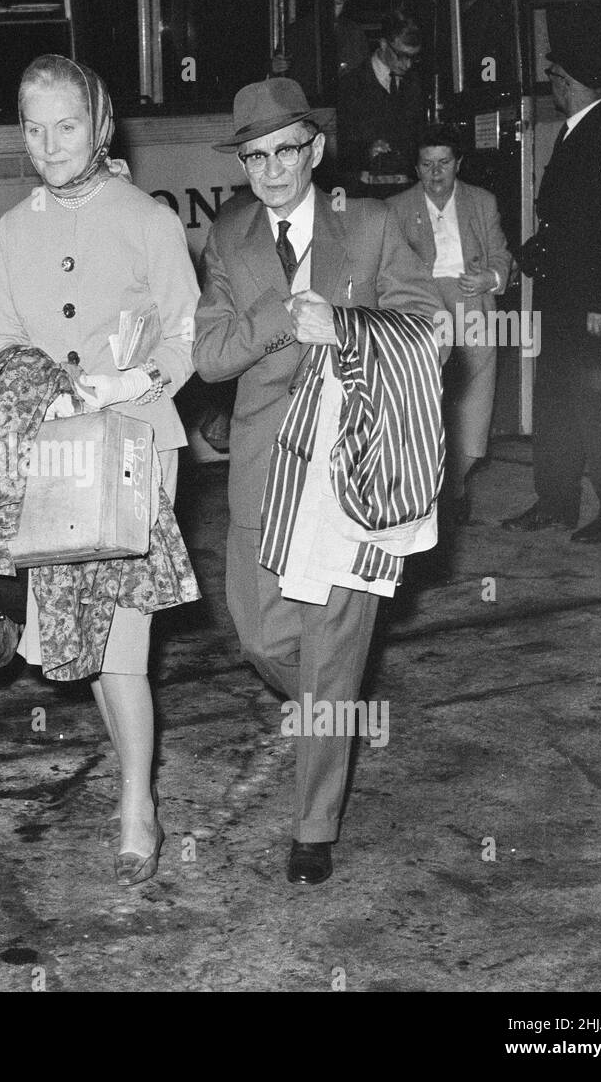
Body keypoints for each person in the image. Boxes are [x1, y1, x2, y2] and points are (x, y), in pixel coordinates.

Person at [192, 78, 440, 885]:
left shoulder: (367, 225)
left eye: (286, 151)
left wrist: (347, 324)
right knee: (262, 635)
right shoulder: (227, 235)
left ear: (316, 149)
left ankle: (313, 824)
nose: (272, 171)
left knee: (331, 645)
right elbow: (211, 356)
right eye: (255, 157)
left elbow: (431, 331)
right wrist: (283, 313)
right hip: (265, 464)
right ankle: (333, 713)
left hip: (354, 466)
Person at [0, 54, 198, 886]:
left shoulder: (147, 218)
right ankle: (135, 783)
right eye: (34, 129)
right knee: (84, 643)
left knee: (123, 644)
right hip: (56, 454)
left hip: (139, 448)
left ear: (101, 125)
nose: (51, 145)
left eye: (66, 126)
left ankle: (137, 805)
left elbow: (188, 342)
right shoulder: (13, 227)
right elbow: (4, 339)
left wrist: (121, 382)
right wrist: (41, 393)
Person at [503, 45, 601, 542]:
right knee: (557, 401)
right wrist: (520, 258)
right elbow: (567, 223)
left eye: (555, 76)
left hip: (594, 308)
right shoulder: (577, 132)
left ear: (571, 81)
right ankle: (557, 502)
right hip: (566, 302)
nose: (552, 85)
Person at [388, 123, 512, 521]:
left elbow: (500, 255)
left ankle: (456, 478)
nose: (436, 173)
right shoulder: (396, 208)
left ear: (459, 163)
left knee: (474, 398)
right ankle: (433, 487)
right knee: (427, 398)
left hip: (470, 299)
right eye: (427, 165)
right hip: (421, 307)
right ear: (416, 168)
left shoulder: (482, 201)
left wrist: (489, 278)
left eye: (444, 163)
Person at [337, 11, 427, 199]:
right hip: (364, 195)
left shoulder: (415, 84)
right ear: (383, 44)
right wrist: (366, 152)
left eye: (413, 57)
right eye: (401, 55)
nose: (408, 64)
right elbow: (337, 148)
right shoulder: (351, 84)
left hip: (407, 194)